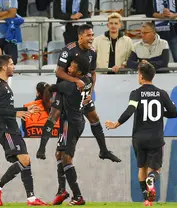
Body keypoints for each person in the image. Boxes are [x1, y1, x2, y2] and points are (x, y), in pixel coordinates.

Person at [36, 24, 121, 205]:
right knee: (55, 118)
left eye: (92, 35)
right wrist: (75, 81)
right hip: (66, 90)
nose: (92, 38)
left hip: (80, 93)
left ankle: (103, 150)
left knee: (94, 117)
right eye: (89, 35)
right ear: (80, 36)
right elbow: (59, 72)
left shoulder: (92, 52)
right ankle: (62, 188)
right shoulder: (68, 50)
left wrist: (91, 91)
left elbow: (93, 73)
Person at [105, 61, 177, 206]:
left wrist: (116, 124)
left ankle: (146, 199)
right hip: (156, 138)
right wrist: (160, 113)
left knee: (141, 168)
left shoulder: (136, 93)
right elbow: (174, 113)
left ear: (141, 76)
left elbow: (130, 110)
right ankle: (151, 180)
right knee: (155, 169)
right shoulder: (161, 93)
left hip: (138, 138)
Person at [0, 55, 47, 206]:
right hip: (5, 130)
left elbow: (7, 108)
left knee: (26, 161)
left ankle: (31, 199)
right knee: (24, 160)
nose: (14, 66)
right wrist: (16, 114)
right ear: (4, 67)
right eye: (12, 64)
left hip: (12, 128)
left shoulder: (5, 85)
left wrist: (25, 109)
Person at [48, 55, 92, 205]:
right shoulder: (85, 81)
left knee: (66, 157)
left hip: (71, 123)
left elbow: (51, 87)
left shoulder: (70, 85)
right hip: (72, 121)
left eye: (72, 66)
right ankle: (62, 190)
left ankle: (78, 196)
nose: (68, 68)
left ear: (79, 73)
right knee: (59, 154)